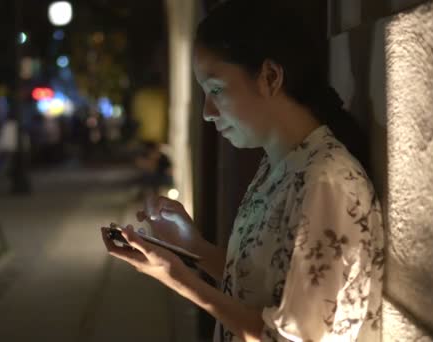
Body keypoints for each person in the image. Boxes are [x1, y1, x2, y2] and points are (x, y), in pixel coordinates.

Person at [100, 1, 384, 341]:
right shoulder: (281, 164)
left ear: (270, 77)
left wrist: (179, 279)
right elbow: (264, 288)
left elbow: (288, 337)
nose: (207, 111)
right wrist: (196, 249)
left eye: (216, 90)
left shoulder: (327, 181)